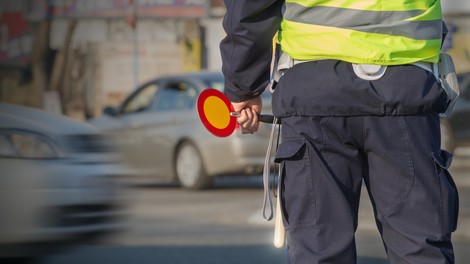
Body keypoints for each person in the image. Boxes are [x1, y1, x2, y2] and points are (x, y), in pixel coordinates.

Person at [220, 0, 459, 263]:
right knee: (420, 249)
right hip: (406, 88)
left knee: (319, 248)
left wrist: (243, 85)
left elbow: (250, 8)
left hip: (313, 90)